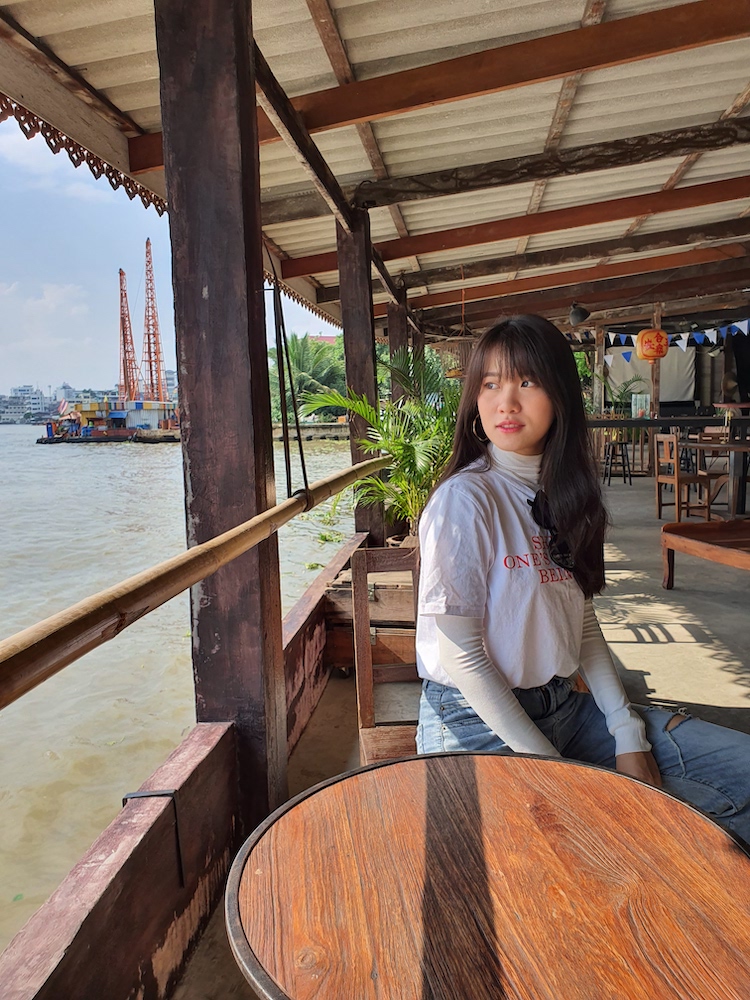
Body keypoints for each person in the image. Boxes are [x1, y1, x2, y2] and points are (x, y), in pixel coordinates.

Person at [416, 314, 750, 846]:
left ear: (560, 396)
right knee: (593, 855)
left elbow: (582, 623)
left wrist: (626, 731)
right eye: (490, 384)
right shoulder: (467, 499)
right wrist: (558, 775)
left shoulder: (566, 498)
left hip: (567, 710)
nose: (506, 402)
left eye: (527, 381)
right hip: (477, 725)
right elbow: (462, 654)